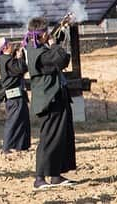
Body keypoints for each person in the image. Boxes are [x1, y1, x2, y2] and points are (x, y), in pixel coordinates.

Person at [23, 17, 76, 189]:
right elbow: (60, 59)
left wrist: (61, 28)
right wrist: (53, 43)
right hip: (49, 101)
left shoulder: (38, 48)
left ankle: (55, 175)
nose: (48, 34)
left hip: (54, 98)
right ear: (40, 35)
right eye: (45, 32)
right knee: (48, 140)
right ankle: (39, 178)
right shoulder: (39, 53)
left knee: (59, 139)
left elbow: (57, 54)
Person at [0, 37, 31, 154]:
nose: (11, 45)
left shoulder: (6, 59)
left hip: (17, 95)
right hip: (14, 96)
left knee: (22, 120)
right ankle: (7, 147)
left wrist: (19, 56)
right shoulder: (7, 61)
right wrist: (20, 57)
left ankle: (22, 145)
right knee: (13, 122)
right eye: (9, 44)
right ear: (4, 47)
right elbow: (22, 68)